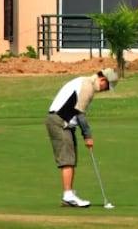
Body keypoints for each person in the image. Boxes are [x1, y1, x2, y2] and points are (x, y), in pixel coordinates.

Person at [45, 68, 118, 207]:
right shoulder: (87, 87)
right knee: (67, 161)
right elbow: (80, 114)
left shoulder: (84, 82)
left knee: (70, 159)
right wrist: (87, 136)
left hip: (63, 122)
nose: (106, 90)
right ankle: (68, 195)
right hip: (59, 121)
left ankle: (69, 194)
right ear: (103, 80)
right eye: (107, 87)